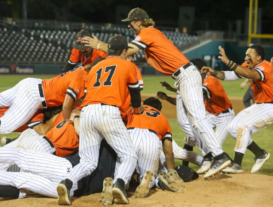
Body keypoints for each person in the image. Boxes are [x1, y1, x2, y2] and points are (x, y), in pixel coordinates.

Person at [83, 8, 231, 178]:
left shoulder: (148, 32)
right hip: (183, 75)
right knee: (191, 122)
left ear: (138, 21)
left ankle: (219, 156)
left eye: (131, 23)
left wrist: (99, 45)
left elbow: (126, 51)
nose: (130, 27)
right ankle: (212, 156)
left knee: (197, 119)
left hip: (186, 74)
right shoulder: (149, 34)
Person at [56, 35, 142, 205]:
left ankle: (66, 182)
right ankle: (119, 184)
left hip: (87, 112)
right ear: (124, 51)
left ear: (109, 50)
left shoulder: (95, 66)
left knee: (88, 161)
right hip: (108, 111)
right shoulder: (128, 65)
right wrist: (137, 111)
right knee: (129, 156)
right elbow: (135, 94)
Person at [201, 44, 273, 173]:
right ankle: (260, 154)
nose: (246, 58)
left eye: (248, 55)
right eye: (245, 55)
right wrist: (214, 72)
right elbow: (232, 75)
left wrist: (228, 62)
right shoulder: (250, 65)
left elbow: (250, 73)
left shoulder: (265, 66)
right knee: (232, 128)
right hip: (259, 105)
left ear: (258, 57)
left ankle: (237, 164)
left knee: (243, 127)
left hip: (270, 106)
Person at [157, 58, 235, 174]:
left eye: (193, 70)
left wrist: (177, 89)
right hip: (211, 115)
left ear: (202, 71)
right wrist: (170, 94)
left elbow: (193, 94)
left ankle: (230, 164)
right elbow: (186, 101)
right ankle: (208, 159)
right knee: (191, 134)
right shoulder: (196, 83)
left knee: (213, 144)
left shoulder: (210, 81)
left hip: (224, 116)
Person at [0, 66, 86, 135]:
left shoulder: (80, 70)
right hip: (35, 95)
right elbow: (66, 106)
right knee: (4, 127)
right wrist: (65, 123)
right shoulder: (82, 78)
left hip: (31, 83)